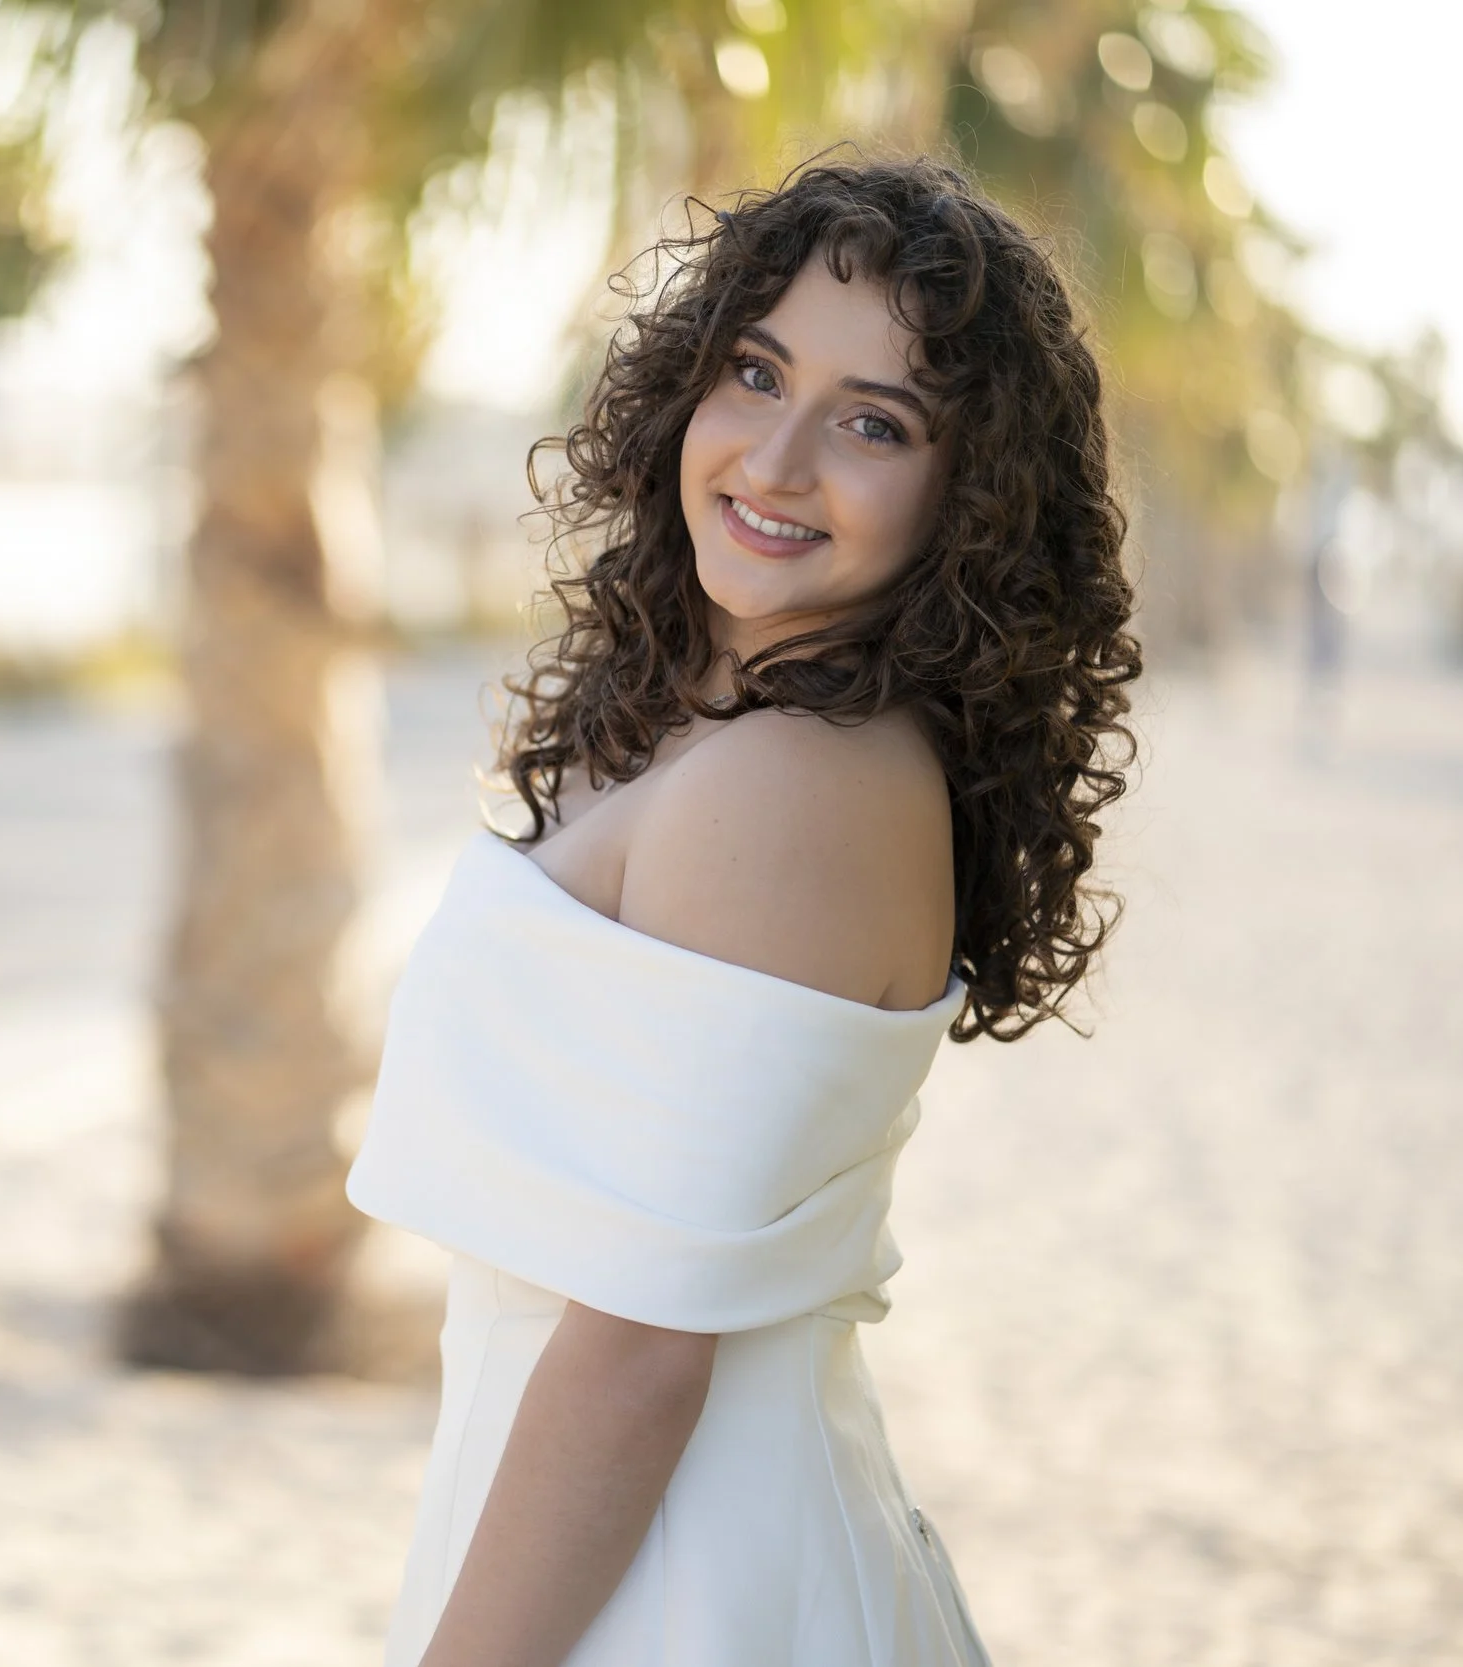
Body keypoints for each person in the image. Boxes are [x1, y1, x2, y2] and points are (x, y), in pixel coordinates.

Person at [345, 157, 1142, 1666]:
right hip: (612, 1541)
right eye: (756, 372)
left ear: (967, 495)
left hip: (683, 1578)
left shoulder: (795, 783)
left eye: (873, 422)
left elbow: (644, 1349)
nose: (776, 462)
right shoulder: (716, 724)